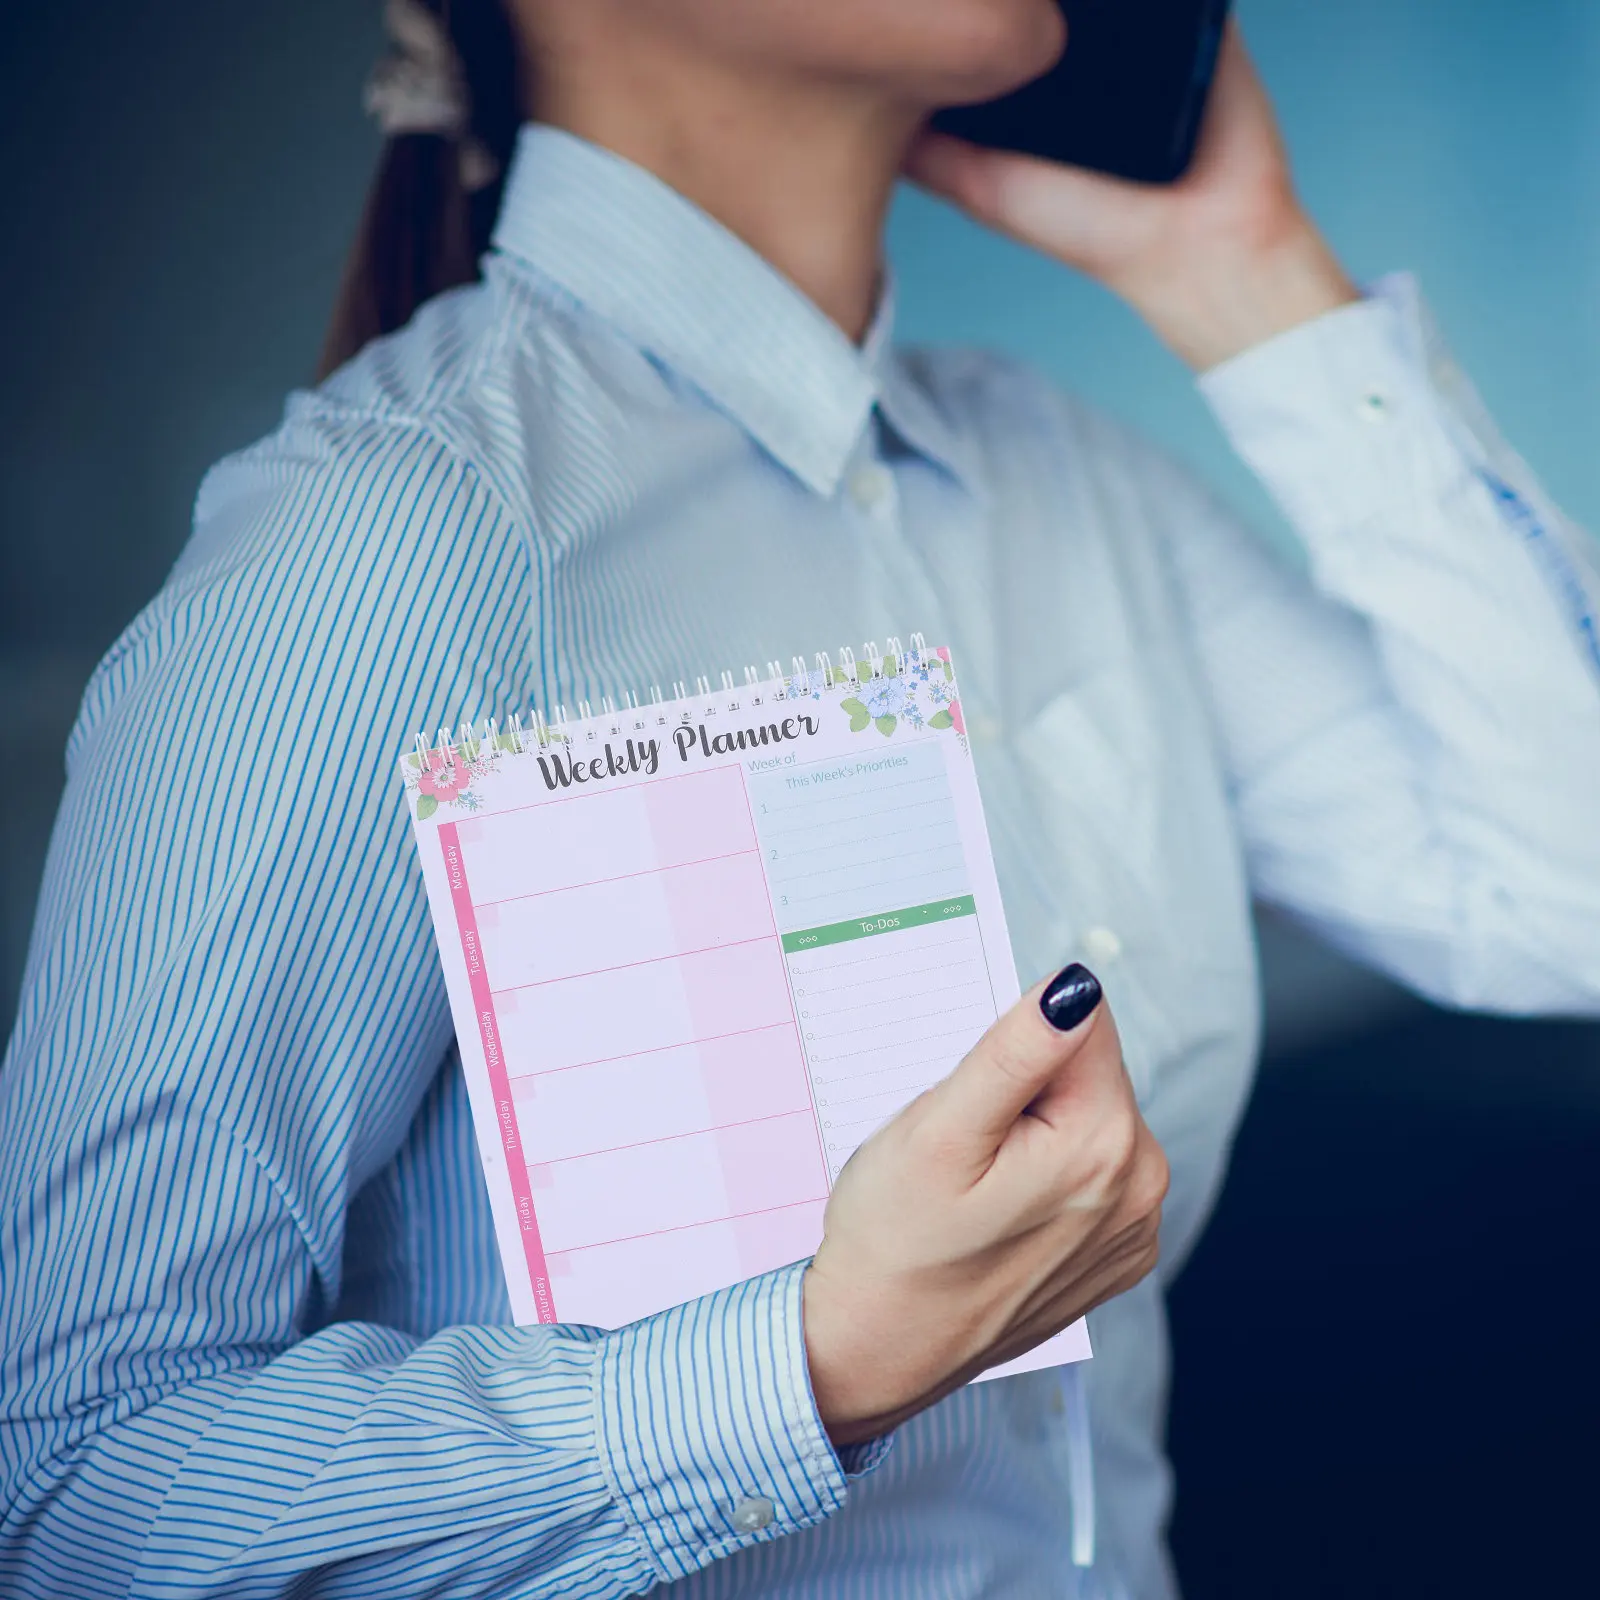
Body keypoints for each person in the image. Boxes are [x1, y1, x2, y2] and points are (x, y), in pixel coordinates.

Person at [3, 0, 1599, 1594]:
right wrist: (812, 1365)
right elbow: (66, 1488)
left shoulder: (1069, 481)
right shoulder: (392, 547)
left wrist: (1243, 267)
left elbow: (1565, 901)